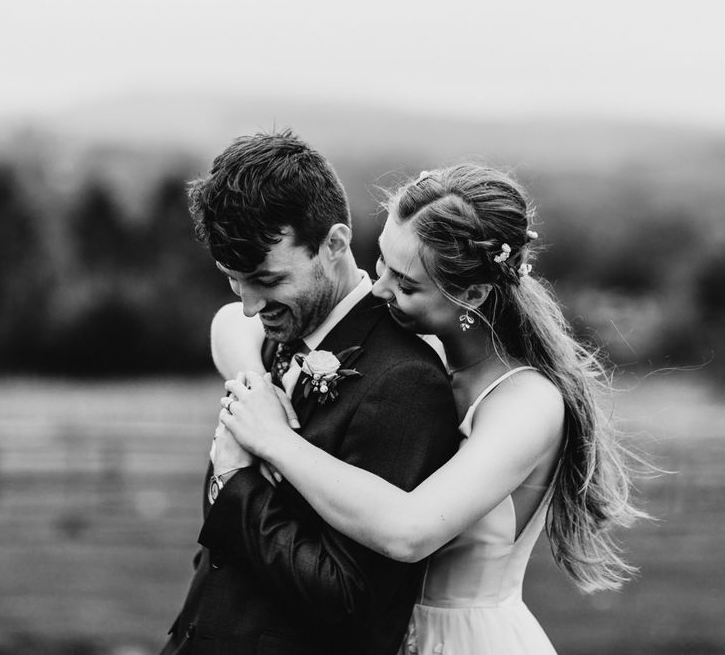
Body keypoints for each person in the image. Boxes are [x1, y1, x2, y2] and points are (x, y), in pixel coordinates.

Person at [219, 164, 647, 654]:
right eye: (381, 264)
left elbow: (410, 531)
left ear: (472, 294)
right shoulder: (423, 355)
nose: (379, 291)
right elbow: (230, 323)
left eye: (405, 284)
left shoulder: (525, 402)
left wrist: (275, 439)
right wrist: (257, 384)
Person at [159, 130, 459, 655]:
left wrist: (235, 480)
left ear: (335, 244)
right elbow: (232, 323)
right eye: (234, 280)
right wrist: (252, 380)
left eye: (267, 280)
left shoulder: (403, 381)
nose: (251, 306)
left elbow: (354, 600)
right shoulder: (281, 334)